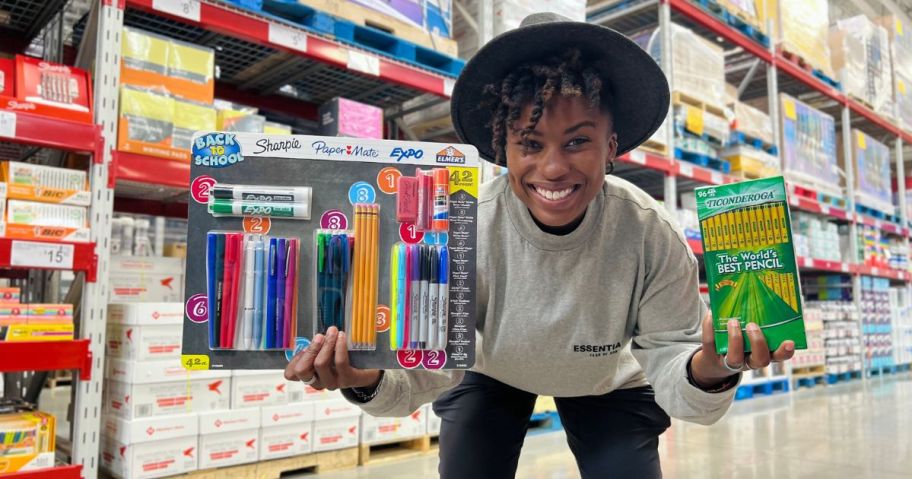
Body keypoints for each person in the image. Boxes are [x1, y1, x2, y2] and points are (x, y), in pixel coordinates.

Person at [286, 13, 795, 478]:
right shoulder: (465, 227)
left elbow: (677, 376)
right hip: (490, 373)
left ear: (611, 145)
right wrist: (365, 378)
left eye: (577, 141)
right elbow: (424, 373)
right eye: (530, 144)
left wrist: (711, 368)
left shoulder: (649, 232)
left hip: (608, 382)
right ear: (501, 149)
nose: (553, 168)